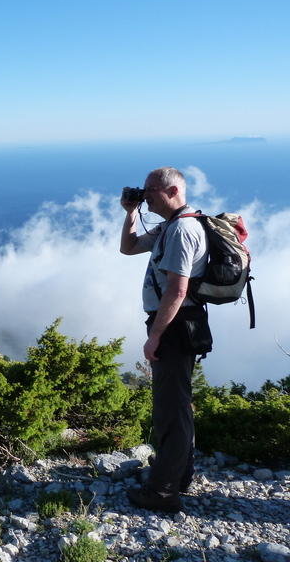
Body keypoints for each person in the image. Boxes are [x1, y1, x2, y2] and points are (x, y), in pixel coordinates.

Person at [119, 167, 211, 513]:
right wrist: (131, 213)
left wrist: (155, 337)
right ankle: (177, 475)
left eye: (150, 191)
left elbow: (177, 288)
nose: (146, 196)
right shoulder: (168, 227)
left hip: (175, 328)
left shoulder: (183, 229)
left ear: (172, 190)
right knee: (177, 404)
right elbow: (128, 248)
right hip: (174, 325)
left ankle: (162, 493)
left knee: (170, 410)